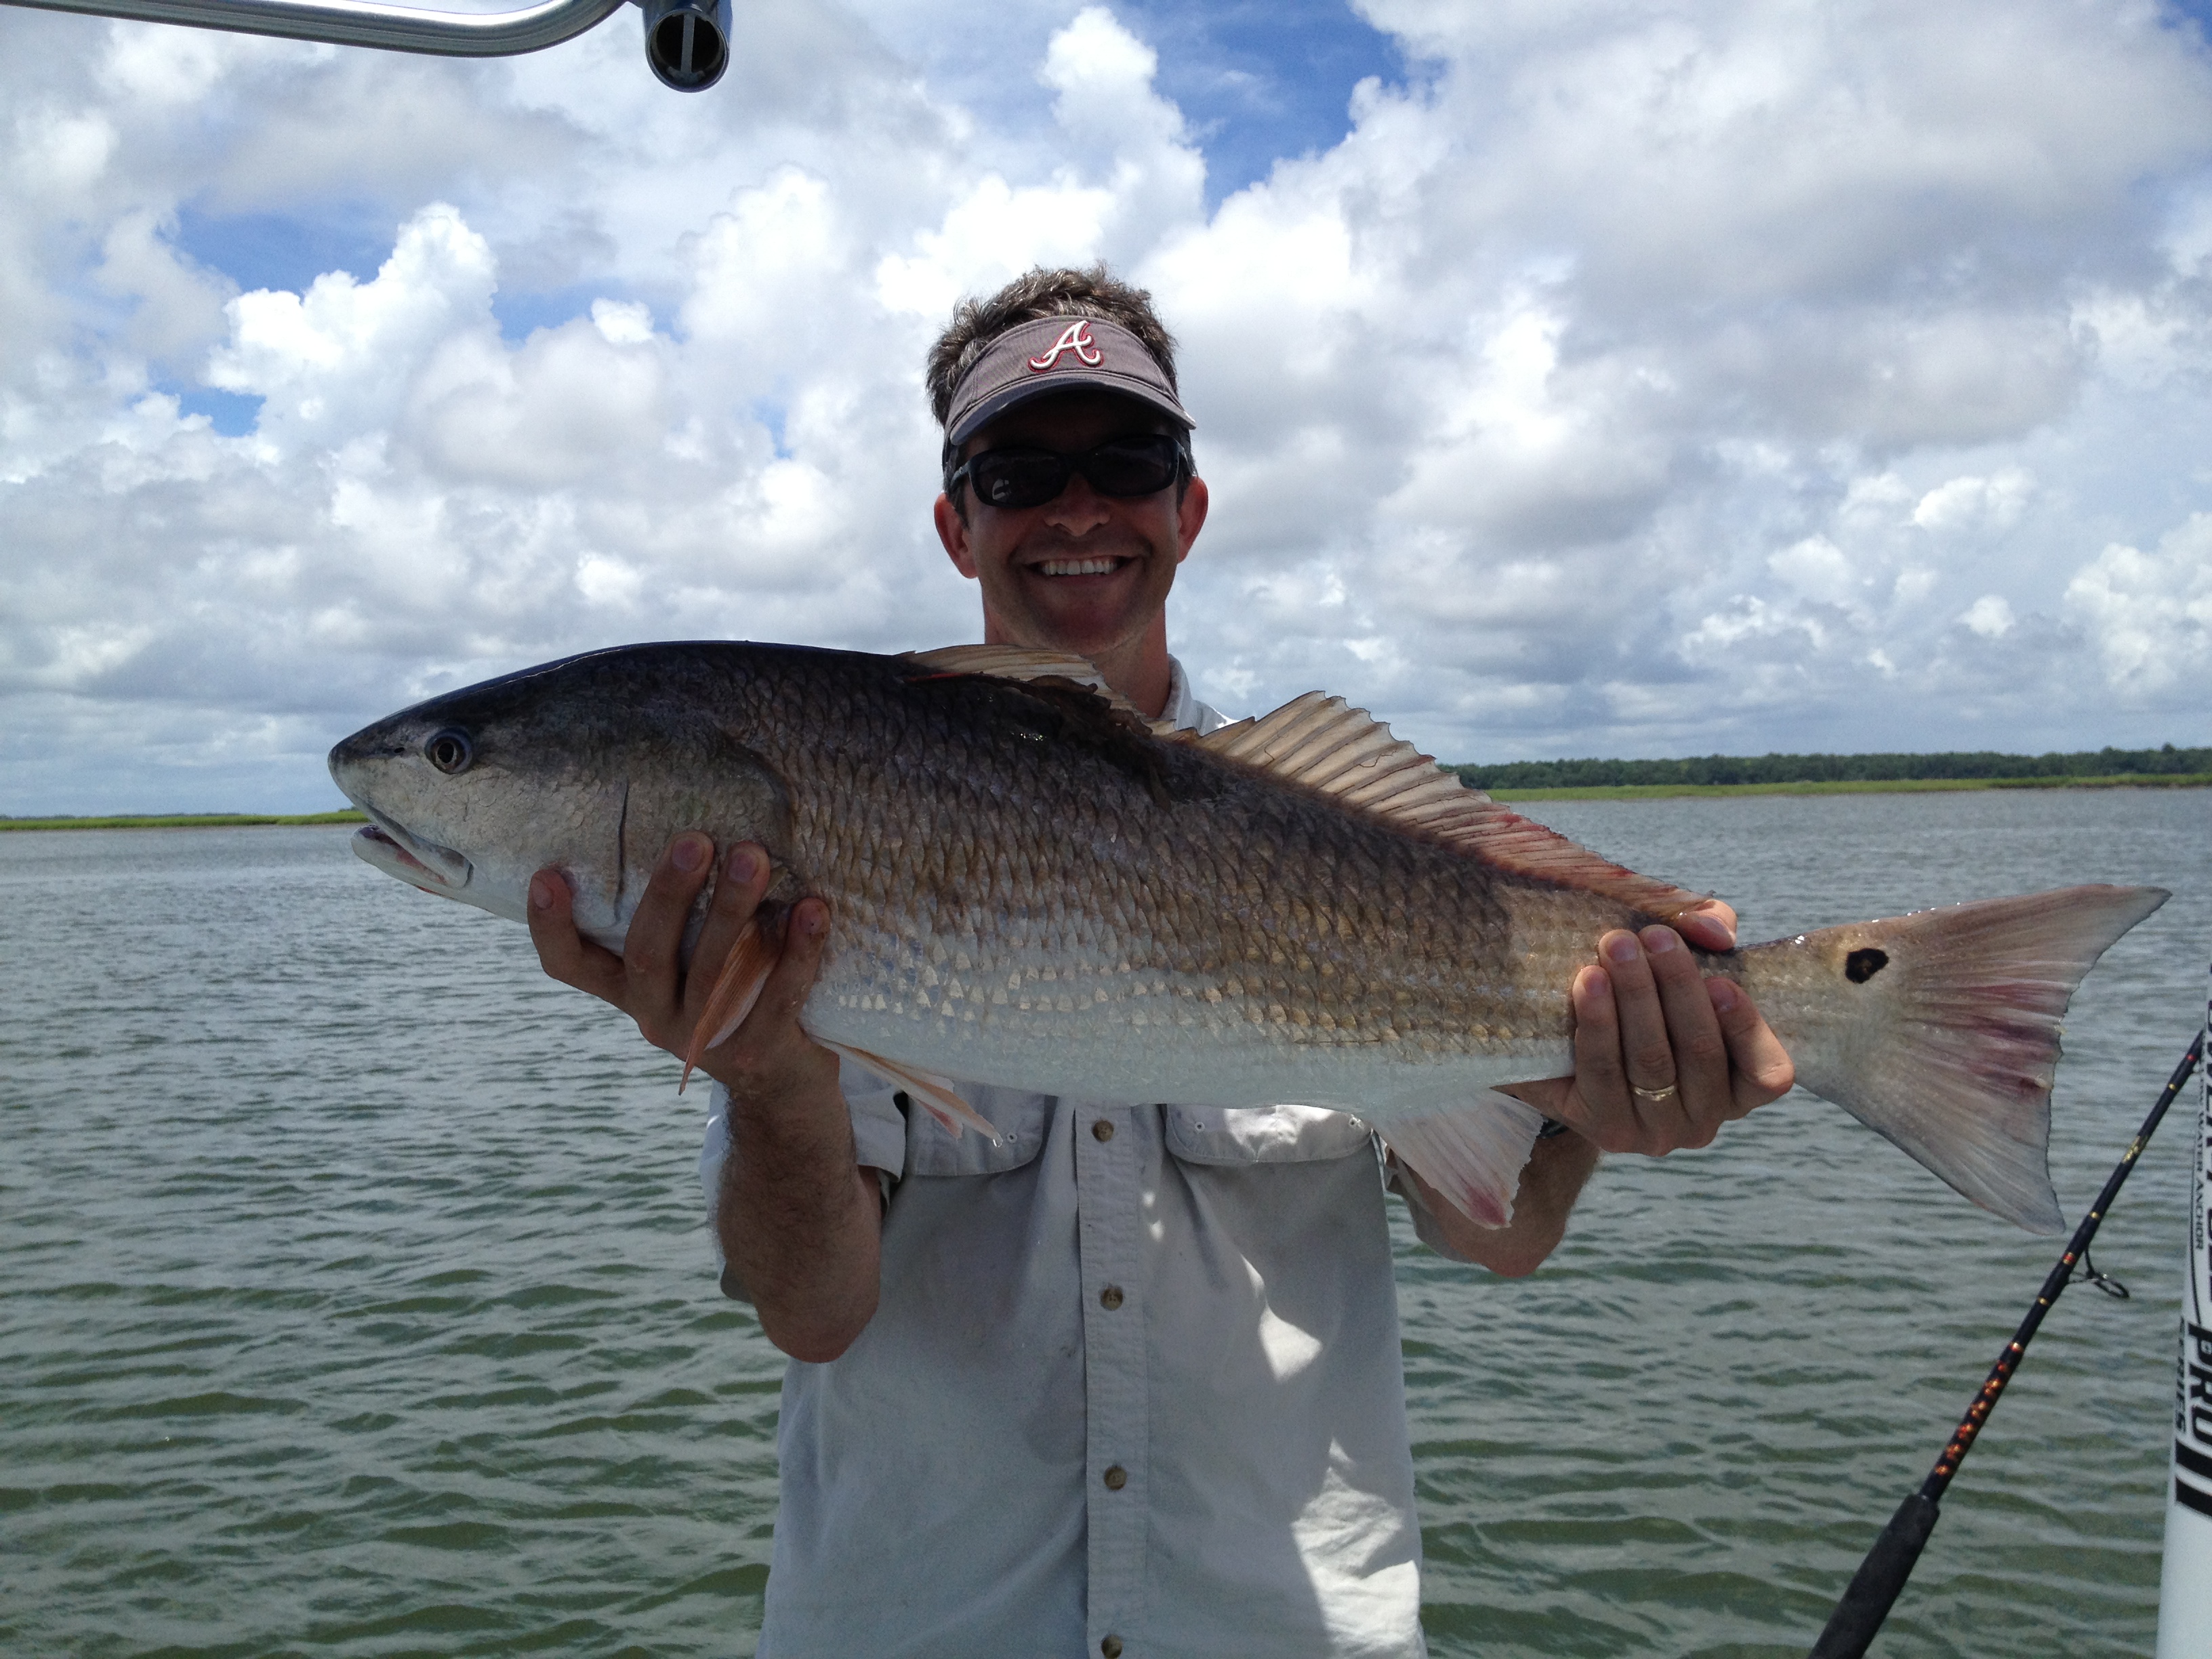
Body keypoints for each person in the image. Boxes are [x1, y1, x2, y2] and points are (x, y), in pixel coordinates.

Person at [525, 267, 1795, 1658]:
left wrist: (1598, 1110)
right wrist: (772, 1076)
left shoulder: (1332, 834)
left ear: (1188, 508)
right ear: (959, 527)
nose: (1077, 510)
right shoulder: (820, 834)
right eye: (1018, 472)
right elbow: (814, 1316)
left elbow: (1503, 1230)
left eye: (1127, 460)